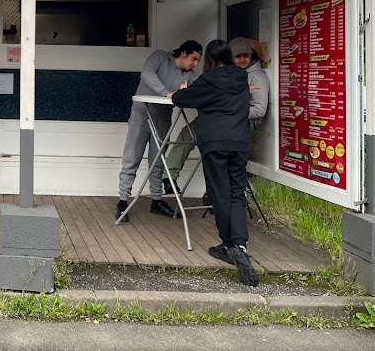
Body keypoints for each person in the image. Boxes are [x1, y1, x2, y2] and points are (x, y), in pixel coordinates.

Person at [171, 39, 258, 286]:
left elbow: (180, 99)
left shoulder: (208, 81)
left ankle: (227, 245)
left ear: (209, 60)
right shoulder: (241, 78)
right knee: (237, 193)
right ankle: (240, 245)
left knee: (220, 195)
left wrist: (185, 88)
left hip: (216, 144)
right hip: (240, 143)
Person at [163, 36, 270, 196]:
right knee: (187, 134)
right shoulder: (228, 74)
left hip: (239, 122)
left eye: (245, 56)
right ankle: (169, 178)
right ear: (229, 57)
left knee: (213, 146)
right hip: (219, 118)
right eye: (237, 56)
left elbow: (260, 110)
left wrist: (229, 111)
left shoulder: (257, 76)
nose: (242, 60)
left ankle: (214, 192)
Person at [115, 40, 202, 223]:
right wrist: (166, 92)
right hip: (141, 113)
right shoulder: (161, 57)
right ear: (183, 52)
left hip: (163, 116)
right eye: (193, 59)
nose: (195, 64)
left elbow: (204, 87)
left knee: (158, 159)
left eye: (198, 61)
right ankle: (123, 200)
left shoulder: (191, 75)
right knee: (132, 157)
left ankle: (157, 200)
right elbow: (146, 73)